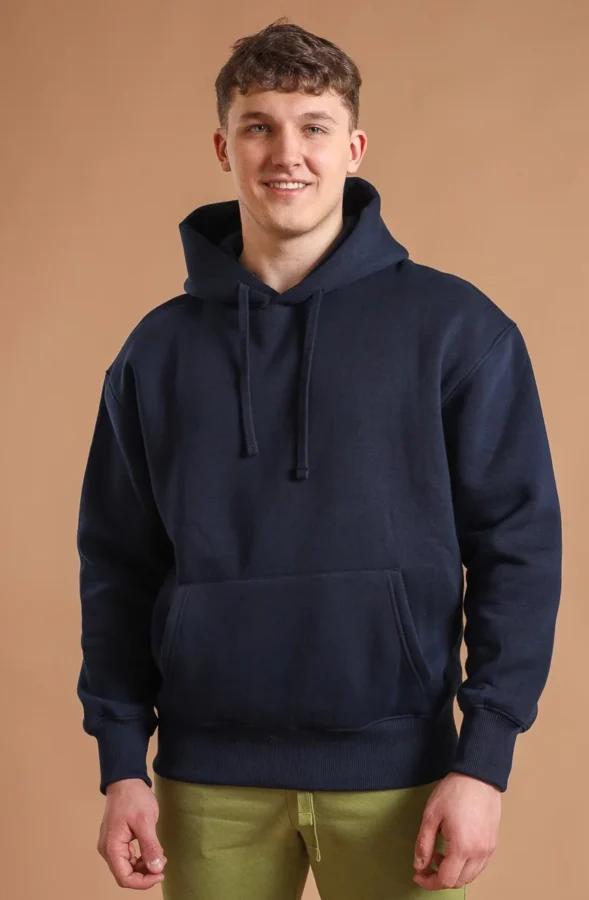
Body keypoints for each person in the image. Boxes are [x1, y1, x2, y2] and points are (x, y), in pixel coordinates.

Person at [75, 17, 562, 899]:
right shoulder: (156, 352)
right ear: (224, 146)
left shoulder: (457, 330)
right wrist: (120, 764)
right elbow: (116, 564)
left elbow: (519, 549)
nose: (286, 153)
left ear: (354, 147)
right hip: (207, 783)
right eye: (258, 126)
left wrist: (484, 759)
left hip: (404, 778)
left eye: (314, 126)